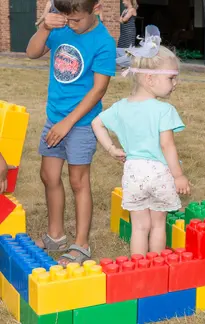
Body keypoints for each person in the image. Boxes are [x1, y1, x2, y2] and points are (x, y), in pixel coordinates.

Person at [26, 0, 116, 265]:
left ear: (96, 8)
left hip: (82, 123)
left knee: (78, 181)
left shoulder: (103, 42)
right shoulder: (60, 26)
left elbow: (98, 90)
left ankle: (81, 244)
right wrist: (44, 27)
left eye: (76, 19)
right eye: (66, 18)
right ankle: (55, 236)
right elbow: (32, 52)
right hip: (55, 118)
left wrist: (68, 123)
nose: (71, 24)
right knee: (48, 175)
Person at [92, 25, 191, 255]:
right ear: (149, 79)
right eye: (171, 78)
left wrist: (111, 148)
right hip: (159, 174)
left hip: (133, 173)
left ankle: (138, 268)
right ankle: (155, 267)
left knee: (139, 227)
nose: (175, 83)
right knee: (157, 225)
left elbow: (97, 123)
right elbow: (167, 145)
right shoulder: (163, 111)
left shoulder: (120, 107)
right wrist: (178, 176)